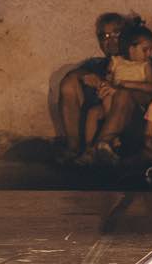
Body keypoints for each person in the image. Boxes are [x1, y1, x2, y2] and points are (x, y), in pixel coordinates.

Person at [50, 11, 126, 157]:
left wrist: (116, 90)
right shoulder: (97, 64)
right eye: (105, 36)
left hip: (126, 123)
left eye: (116, 34)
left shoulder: (140, 63)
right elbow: (75, 75)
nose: (110, 41)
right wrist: (90, 78)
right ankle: (74, 149)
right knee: (69, 83)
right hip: (96, 121)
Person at [84, 17, 152, 162]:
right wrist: (104, 86)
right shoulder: (116, 61)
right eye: (145, 50)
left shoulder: (145, 65)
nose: (149, 54)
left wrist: (127, 84)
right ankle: (88, 146)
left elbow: (151, 87)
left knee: (120, 94)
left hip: (132, 105)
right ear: (131, 48)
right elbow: (108, 79)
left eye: (150, 50)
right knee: (93, 112)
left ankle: (97, 148)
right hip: (110, 104)